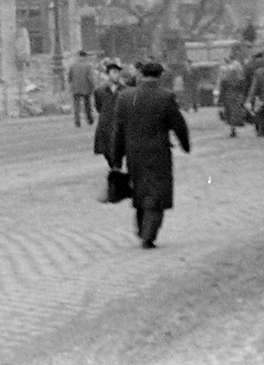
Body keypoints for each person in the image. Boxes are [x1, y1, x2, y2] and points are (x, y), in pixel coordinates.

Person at [108, 61, 190, 249]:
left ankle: (142, 227)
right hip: (158, 152)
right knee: (157, 192)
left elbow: (118, 131)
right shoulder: (165, 97)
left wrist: (116, 158)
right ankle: (148, 234)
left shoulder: (125, 96)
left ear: (141, 75)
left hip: (133, 154)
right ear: (160, 76)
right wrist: (185, 145)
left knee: (140, 189)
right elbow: (178, 125)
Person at [216, 58, 249, 137]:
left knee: (232, 114)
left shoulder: (227, 80)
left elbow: (222, 91)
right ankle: (233, 128)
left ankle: (233, 128)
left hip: (231, 98)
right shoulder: (238, 80)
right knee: (233, 114)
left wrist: (220, 102)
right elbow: (243, 90)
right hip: (234, 98)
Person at [67, 50, 98, 128]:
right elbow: (90, 78)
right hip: (86, 88)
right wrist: (94, 87)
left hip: (75, 88)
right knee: (87, 105)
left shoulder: (72, 66)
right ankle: (89, 120)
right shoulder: (88, 66)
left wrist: (71, 86)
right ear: (84, 57)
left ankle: (77, 122)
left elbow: (69, 78)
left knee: (76, 106)